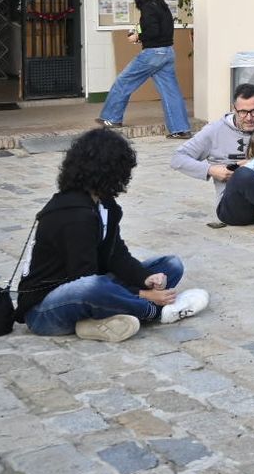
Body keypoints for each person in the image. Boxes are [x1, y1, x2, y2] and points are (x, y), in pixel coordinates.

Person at [18, 128, 209, 342]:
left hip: (92, 286)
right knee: (93, 286)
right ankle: (155, 313)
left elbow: (116, 254)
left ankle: (95, 321)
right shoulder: (73, 214)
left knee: (171, 265)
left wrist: (144, 278)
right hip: (46, 310)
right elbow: (83, 278)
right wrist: (144, 295)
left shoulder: (105, 204)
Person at [98, 0, 191, 138]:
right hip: (167, 52)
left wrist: (137, 37)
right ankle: (180, 129)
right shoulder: (161, 5)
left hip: (153, 54)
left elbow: (153, 32)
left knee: (124, 81)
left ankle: (112, 118)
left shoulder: (148, 7)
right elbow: (163, 30)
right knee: (171, 92)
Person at [170, 82, 254, 211]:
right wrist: (210, 170)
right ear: (233, 109)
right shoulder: (214, 131)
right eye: (243, 112)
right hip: (234, 206)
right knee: (244, 174)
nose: (249, 118)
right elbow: (177, 158)